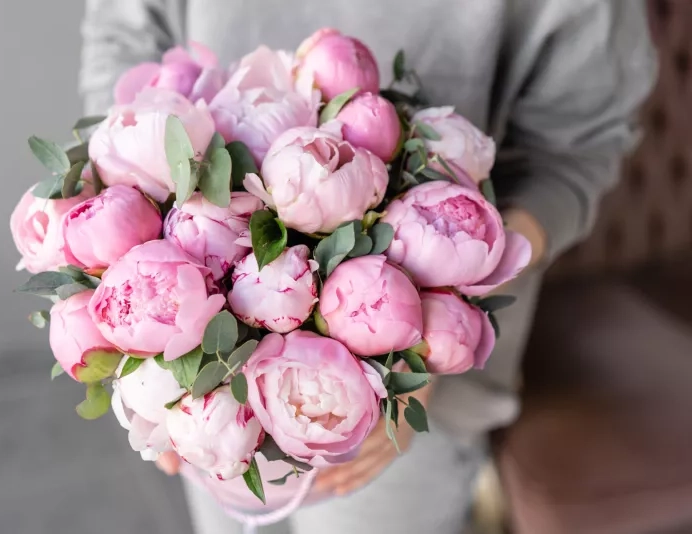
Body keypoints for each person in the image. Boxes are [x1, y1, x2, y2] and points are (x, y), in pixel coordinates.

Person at [79, 1, 656, 532]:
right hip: (192, 364)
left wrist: (426, 335)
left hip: (411, 400)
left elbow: (576, 147)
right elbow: (127, 35)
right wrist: (119, 199)